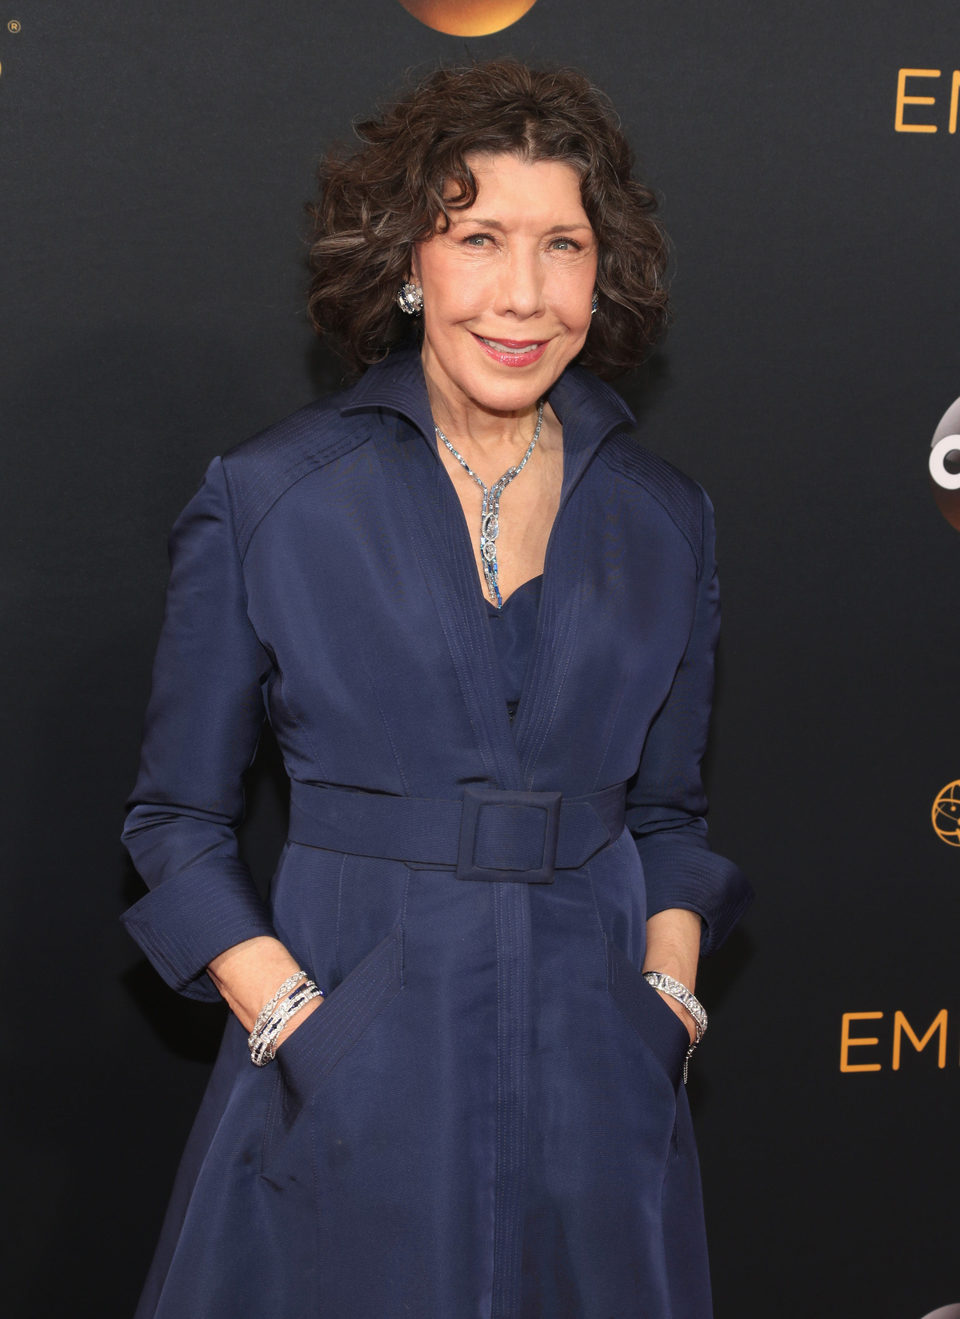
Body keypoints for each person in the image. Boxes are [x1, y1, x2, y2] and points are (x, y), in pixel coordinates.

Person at [121, 58, 752, 1319]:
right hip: (350, 1071)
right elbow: (175, 823)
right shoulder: (274, 497)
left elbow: (671, 815)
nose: (523, 294)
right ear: (411, 263)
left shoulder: (667, 517)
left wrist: (666, 998)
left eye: (562, 244)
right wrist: (299, 1021)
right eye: (479, 237)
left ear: (601, 272)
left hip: (600, 1084)